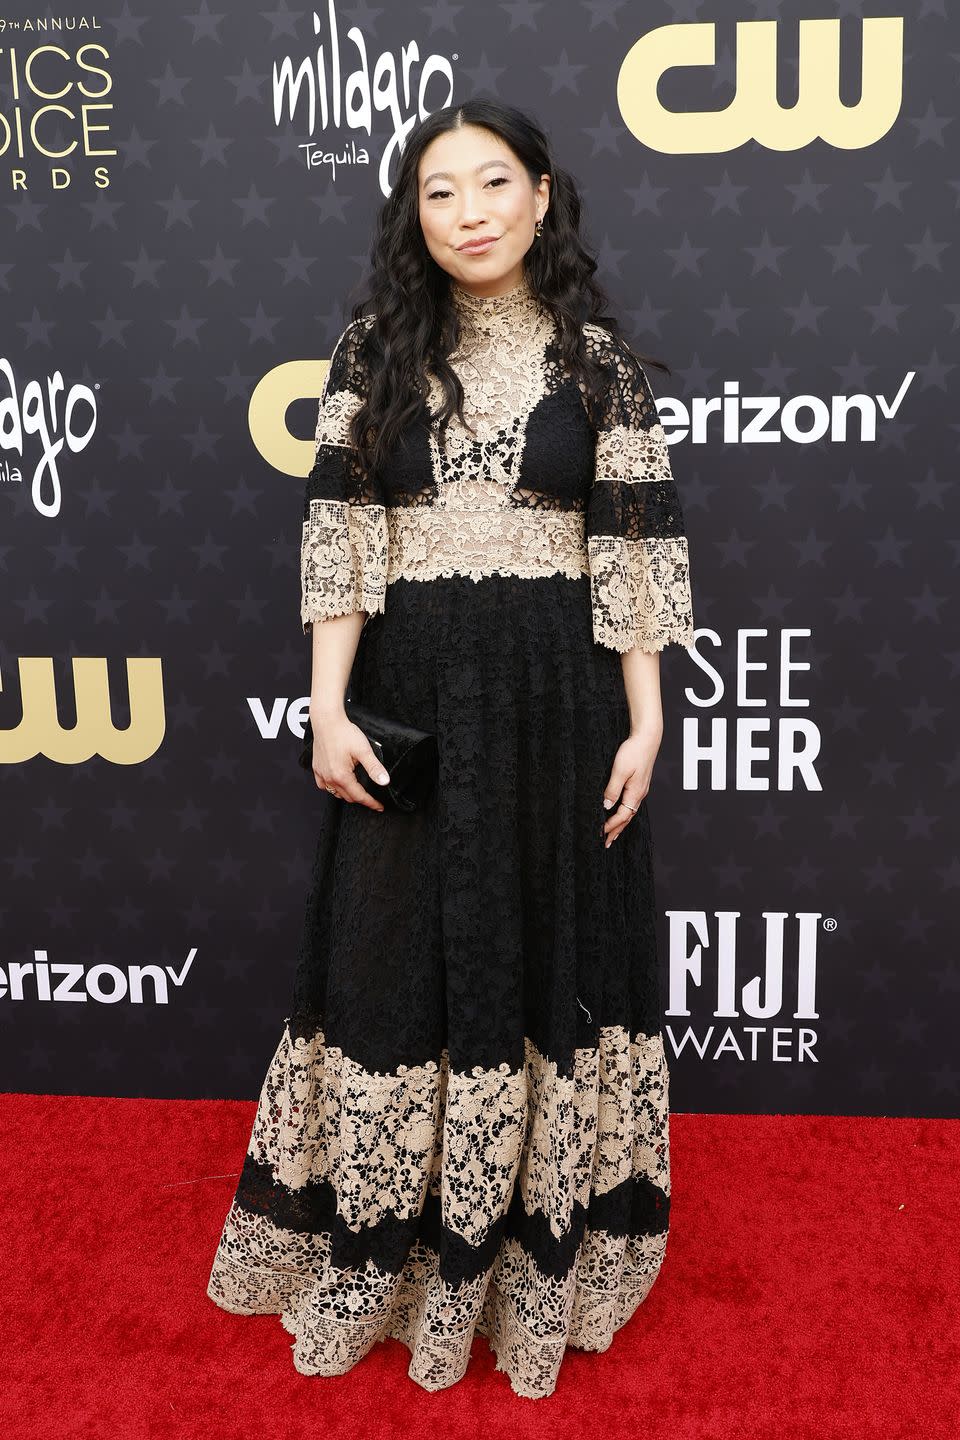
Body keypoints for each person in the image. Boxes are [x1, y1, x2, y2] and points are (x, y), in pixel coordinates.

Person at [206, 97, 695, 1401]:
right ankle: (390, 1253)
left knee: (544, 956)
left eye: (494, 182)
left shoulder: (599, 362)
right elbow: (341, 547)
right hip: (413, 694)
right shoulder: (374, 350)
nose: (470, 210)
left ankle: (529, 1257)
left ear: (543, 195)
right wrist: (327, 706)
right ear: (412, 216)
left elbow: (633, 549)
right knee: (393, 961)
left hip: (559, 700)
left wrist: (646, 716)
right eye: (440, 190)